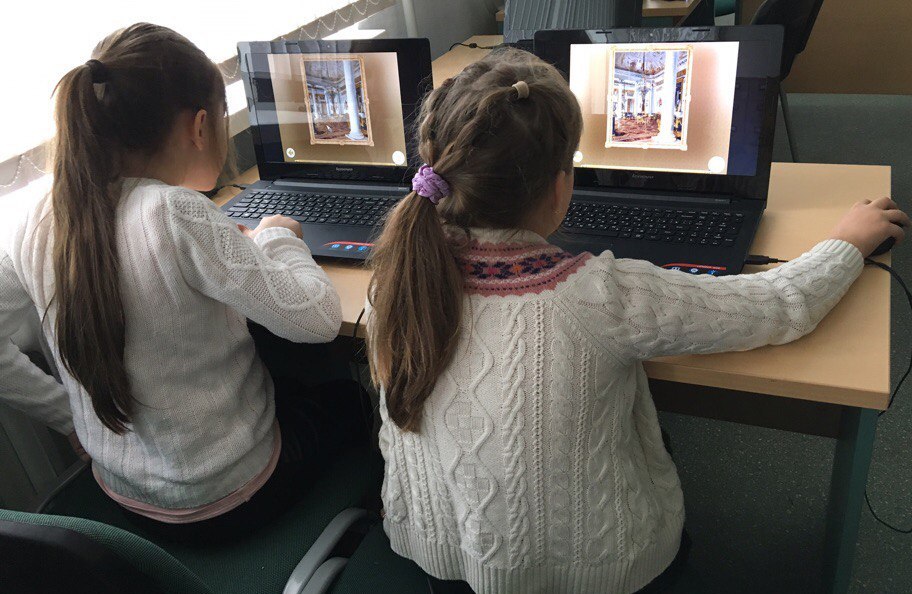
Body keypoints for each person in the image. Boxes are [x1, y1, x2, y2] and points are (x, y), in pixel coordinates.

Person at [365, 48, 908, 593]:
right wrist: (847, 242)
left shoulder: (396, 276)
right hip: (598, 571)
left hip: (440, 553)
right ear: (561, 188)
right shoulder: (601, 294)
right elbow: (781, 304)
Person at [0, 23, 365, 543]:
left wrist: (69, 418)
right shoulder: (175, 214)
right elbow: (320, 319)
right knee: (347, 397)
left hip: (125, 496)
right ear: (200, 126)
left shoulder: (36, 219)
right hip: (232, 499)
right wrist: (278, 237)